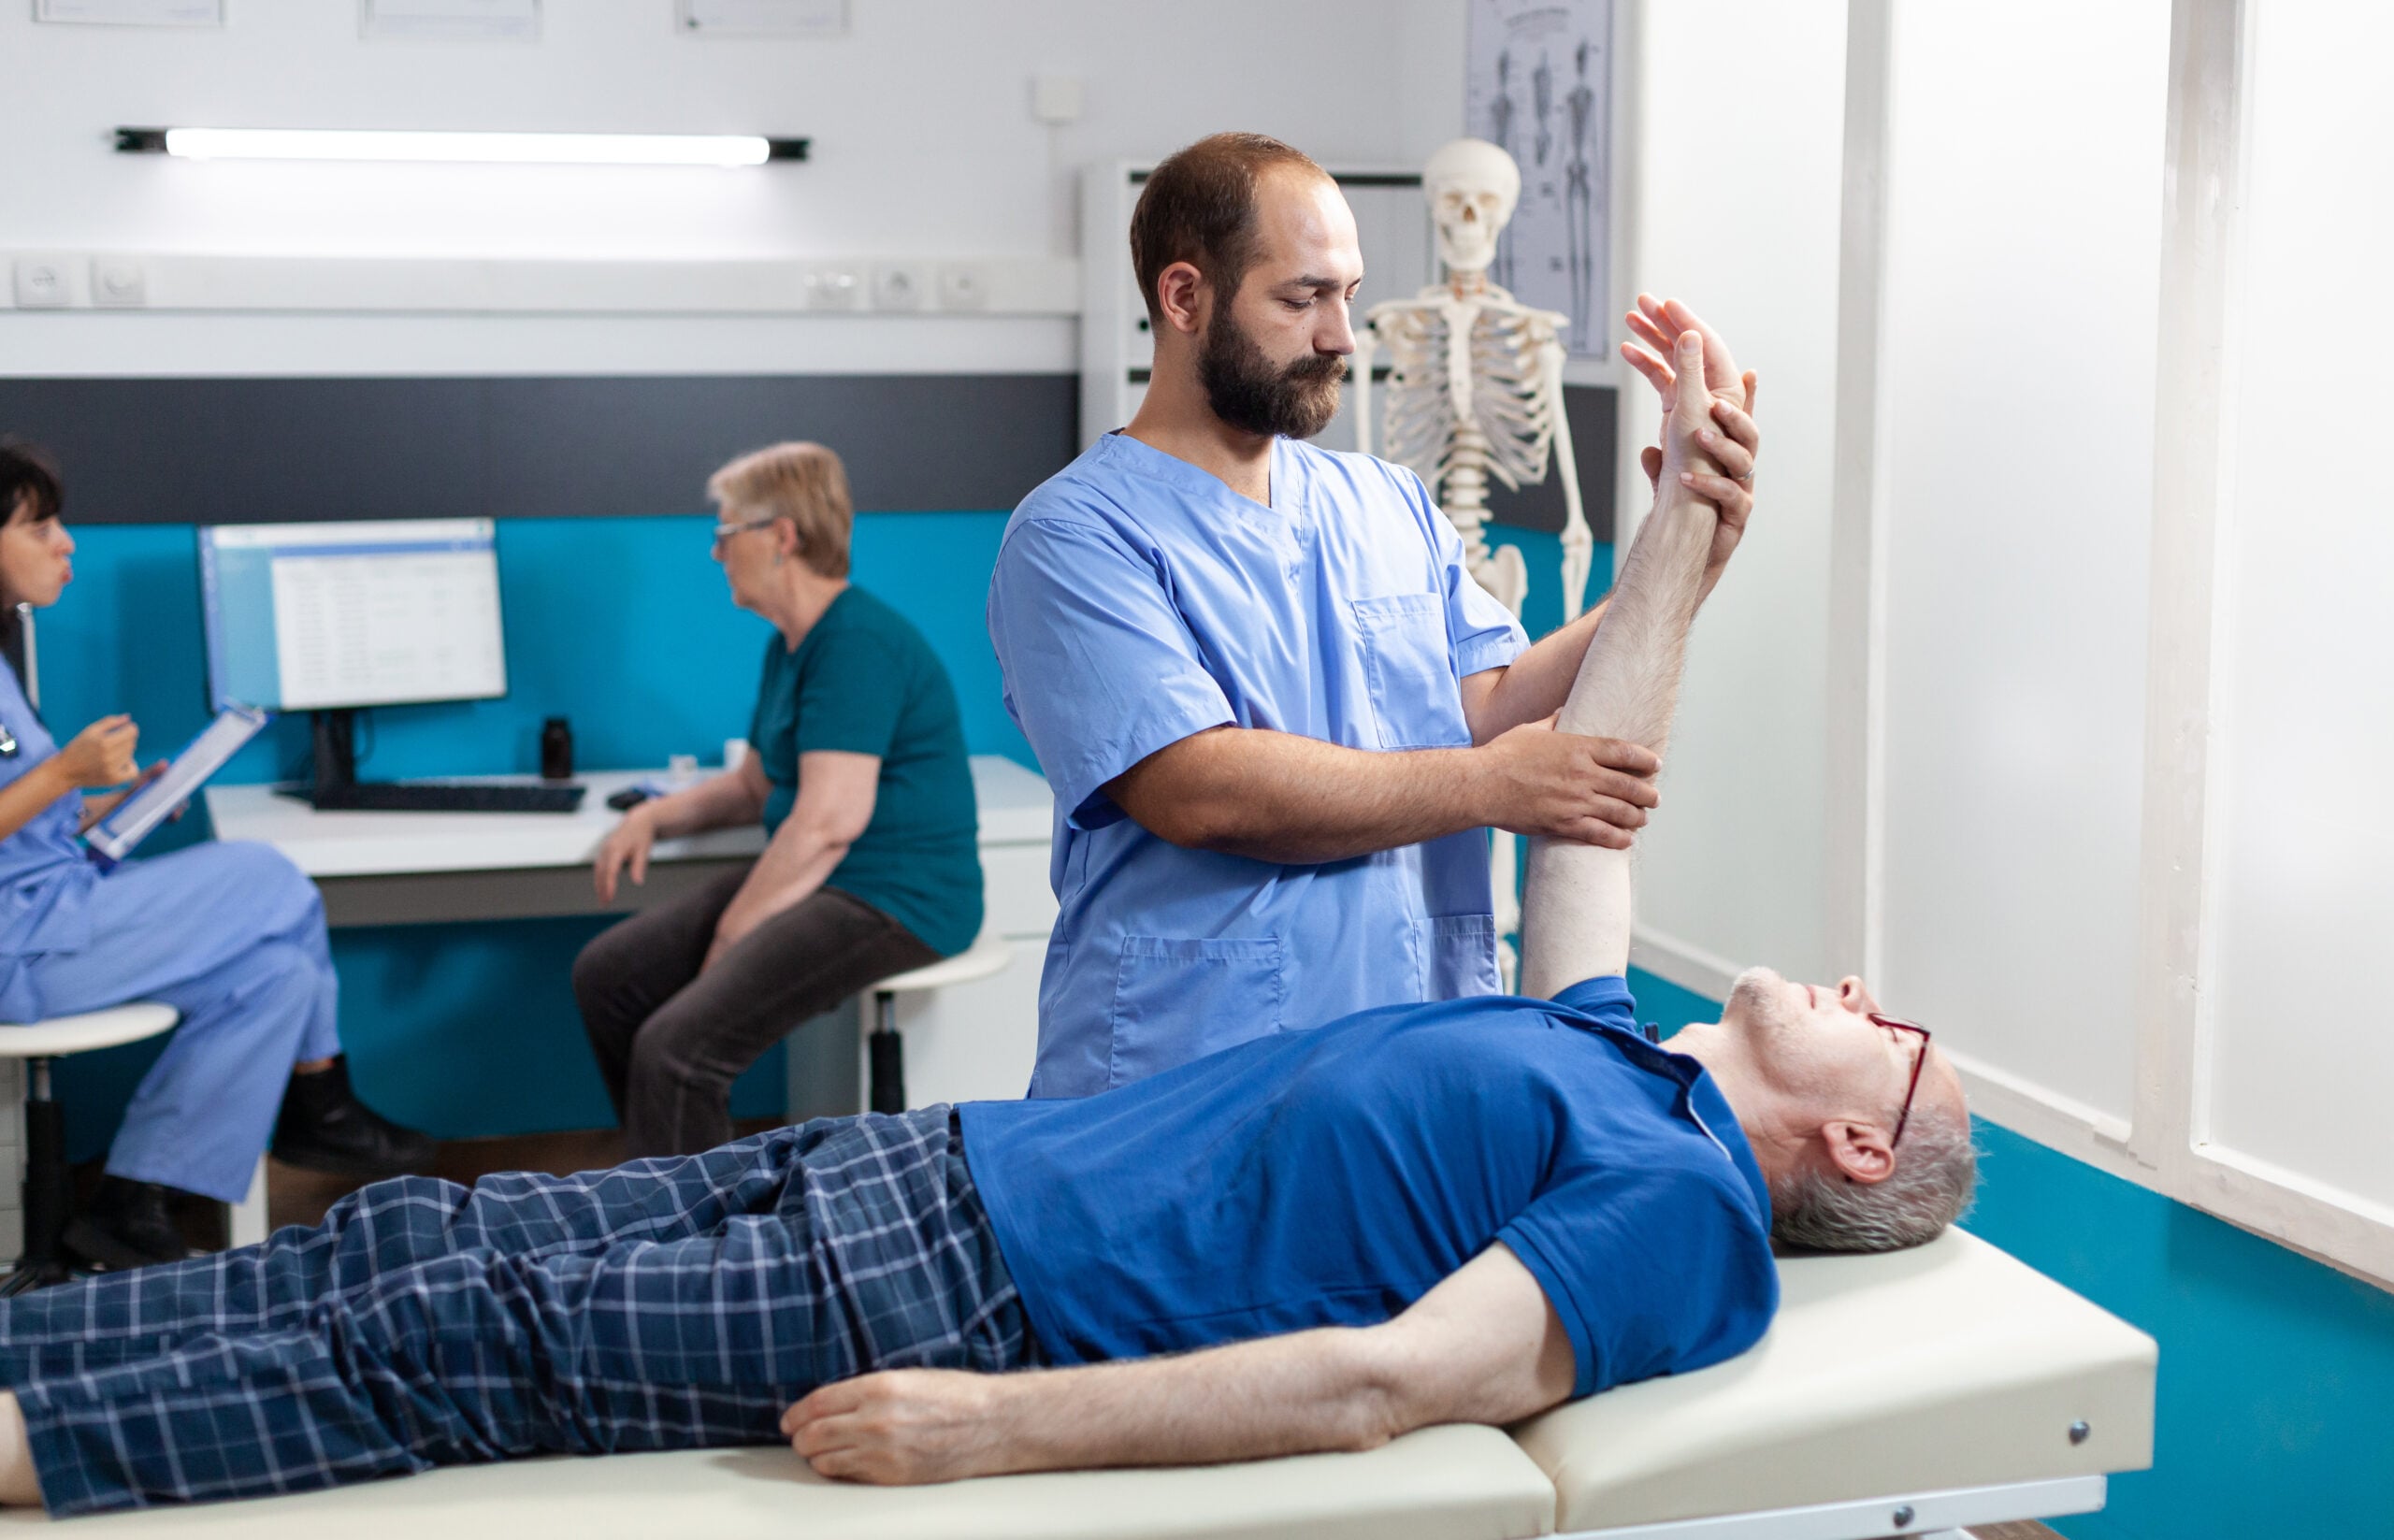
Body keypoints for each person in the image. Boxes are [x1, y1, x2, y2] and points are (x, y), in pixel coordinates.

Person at [0, 317, 1973, 1518]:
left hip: (982, 1304)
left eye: (1895, 1027)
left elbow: (1392, 1379)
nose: (1870, 988)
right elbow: (1589, 810)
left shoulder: (1679, 1213)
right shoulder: (1620, 1051)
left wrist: (995, 1431)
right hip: (953, 1168)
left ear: (1857, 1138)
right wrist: (1686, 539)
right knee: (440, 1221)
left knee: (454, 1331)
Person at [987, 132, 1761, 1096]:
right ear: (1183, 298)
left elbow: (1491, 702)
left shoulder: (1381, 502)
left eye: (1347, 296)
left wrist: (1678, 562)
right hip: (1185, 1076)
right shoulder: (1074, 535)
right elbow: (1199, 788)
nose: (1340, 337)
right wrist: (1489, 787)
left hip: (1407, 1056)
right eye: (1300, 298)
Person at [0, 440, 433, 1272]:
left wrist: (103, 798)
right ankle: (323, 1098)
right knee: (271, 875)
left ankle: (135, 1201)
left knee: (280, 976)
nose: (68, 543)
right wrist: (64, 769)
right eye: (43, 525)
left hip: (54, 914)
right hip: (26, 946)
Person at [573, 441, 983, 1158]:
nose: (715, 553)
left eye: (726, 534)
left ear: (782, 536)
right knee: (609, 977)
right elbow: (755, 787)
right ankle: (656, 1184)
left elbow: (828, 823)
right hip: (835, 875)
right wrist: (652, 816)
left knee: (679, 1048)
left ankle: (698, 1258)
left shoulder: (856, 642)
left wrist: (735, 934)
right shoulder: (792, 645)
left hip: (897, 896)